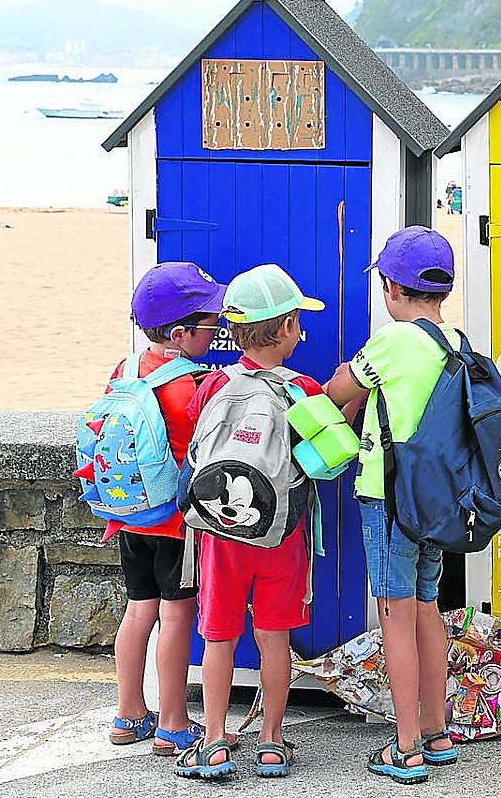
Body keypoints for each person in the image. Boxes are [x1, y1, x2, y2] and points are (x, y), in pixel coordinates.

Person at [173, 264, 325, 780]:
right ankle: (271, 741)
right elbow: (326, 456)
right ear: (285, 330)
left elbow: (195, 436)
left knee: (218, 637)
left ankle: (214, 741)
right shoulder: (301, 388)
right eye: (298, 322)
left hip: (218, 534)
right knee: (273, 638)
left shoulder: (215, 381)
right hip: (281, 536)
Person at [324, 226, 461, 786]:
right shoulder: (456, 341)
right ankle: (437, 732)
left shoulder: (390, 340)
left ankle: (405, 748)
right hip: (437, 501)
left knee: (394, 615)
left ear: (390, 287)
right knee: (428, 608)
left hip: (388, 498)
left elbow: (337, 391)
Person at [104, 262, 231, 755]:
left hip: (130, 515)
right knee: (176, 617)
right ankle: (173, 721)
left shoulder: (127, 368)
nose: (217, 330)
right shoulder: (192, 387)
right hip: (175, 527)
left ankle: (129, 712)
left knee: (138, 611)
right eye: (210, 325)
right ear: (181, 334)